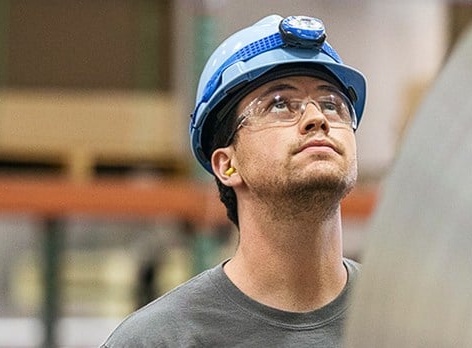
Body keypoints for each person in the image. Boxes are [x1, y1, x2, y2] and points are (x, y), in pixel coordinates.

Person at [102, 14, 367, 347]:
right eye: (280, 104)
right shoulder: (160, 341)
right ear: (227, 165)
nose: (316, 118)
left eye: (332, 104)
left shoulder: (413, 325)